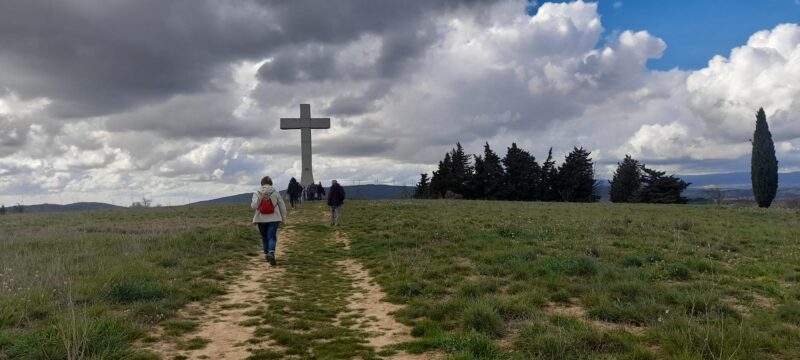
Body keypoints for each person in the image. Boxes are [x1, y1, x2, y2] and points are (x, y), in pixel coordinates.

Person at [251, 176, 287, 266]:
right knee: (271, 236)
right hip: (274, 218)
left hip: (260, 218)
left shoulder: (257, 192)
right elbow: (282, 207)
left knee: (264, 237)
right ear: (271, 183)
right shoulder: (275, 192)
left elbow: (254, 206)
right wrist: (283, 218)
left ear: (261, 183)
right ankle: (271, 252)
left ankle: (267, 254)